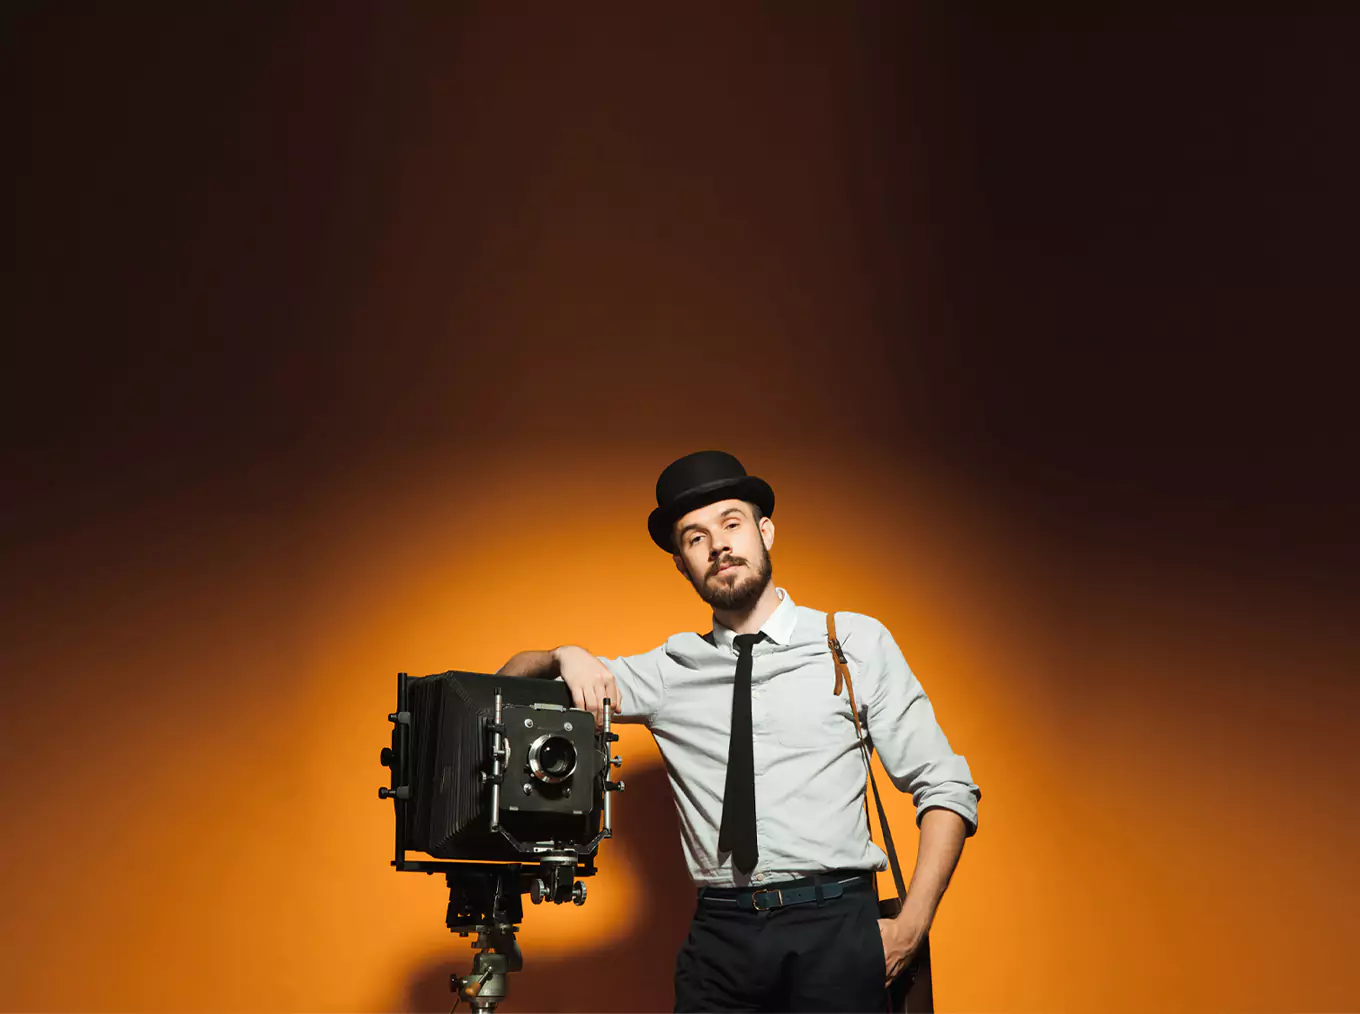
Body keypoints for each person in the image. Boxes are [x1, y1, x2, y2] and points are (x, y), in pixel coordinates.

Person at [497, 450, 981, 1013]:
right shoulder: (668, 670)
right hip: (722, 937)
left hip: (837, 926)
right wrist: (564, 654)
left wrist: (910, 928)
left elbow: (947, 788)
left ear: (765, 531)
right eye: (695, 537)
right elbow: (500, 689)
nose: (719, 545)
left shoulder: (850, 642)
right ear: (683, 563)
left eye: (732, 523)